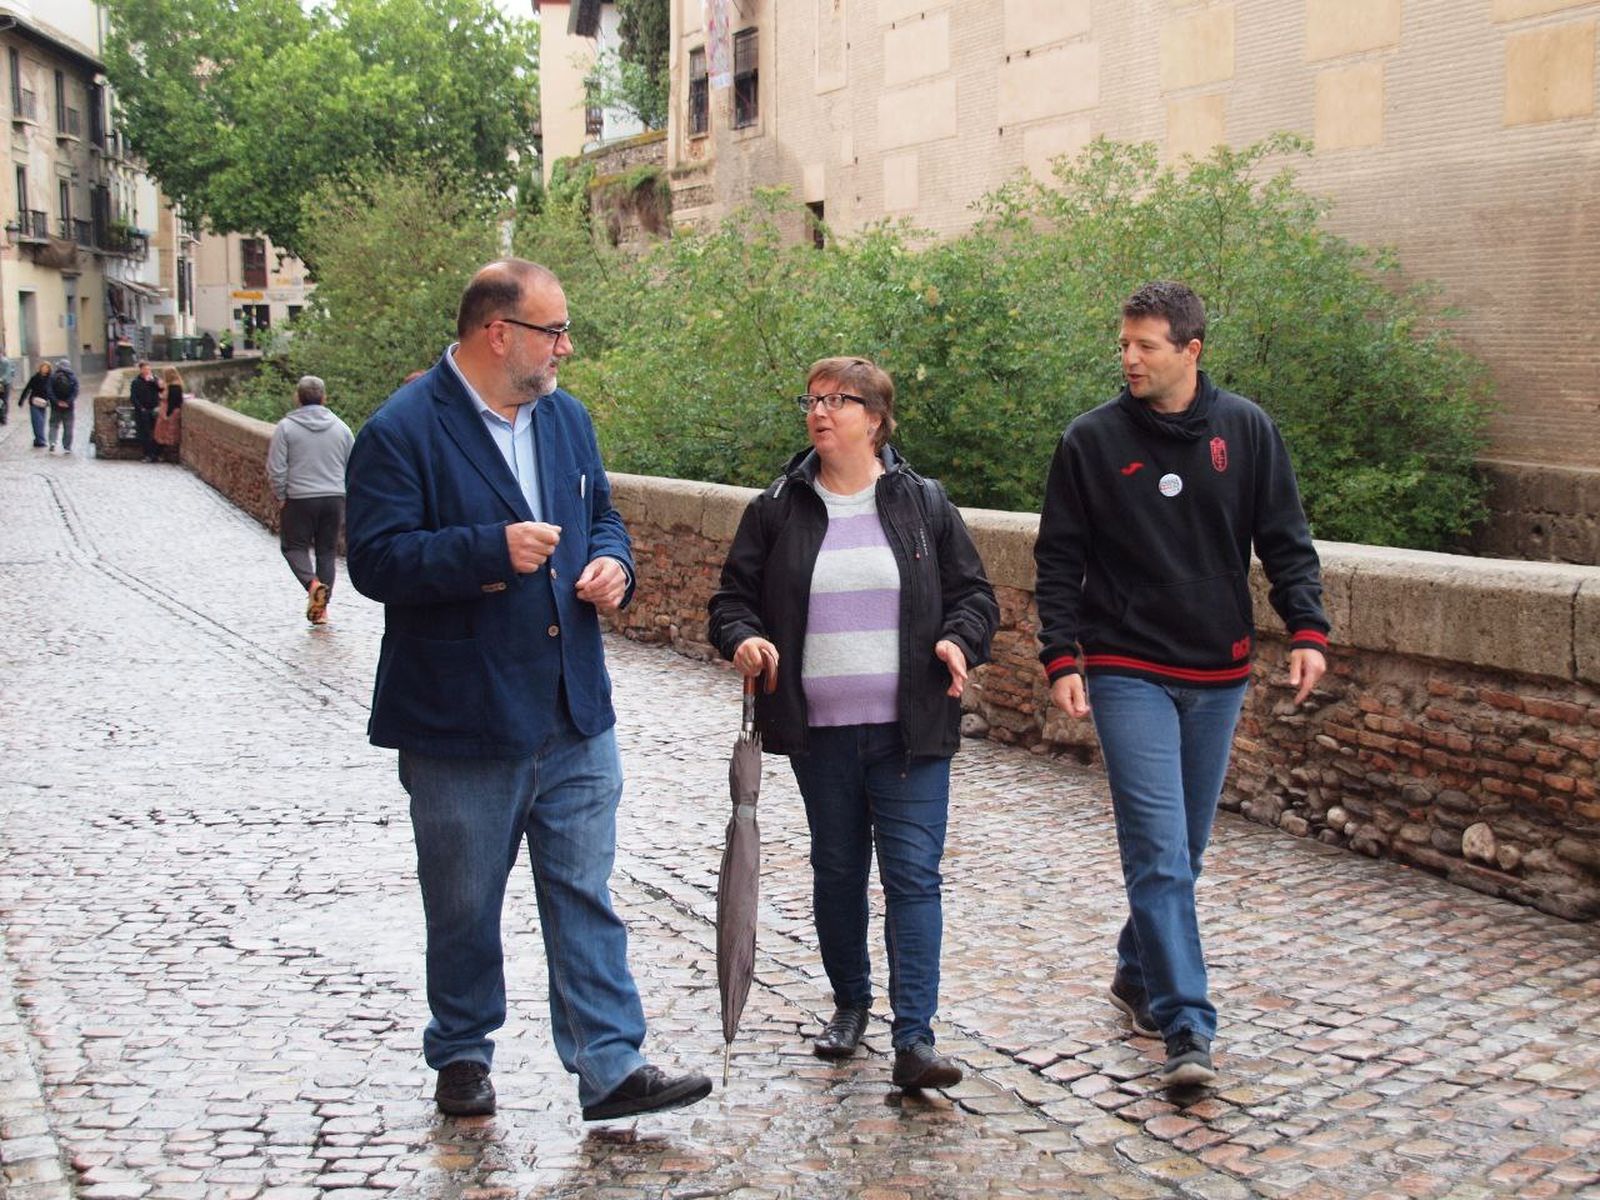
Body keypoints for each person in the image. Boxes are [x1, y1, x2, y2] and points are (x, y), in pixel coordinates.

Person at [344, 258, 712, 1122]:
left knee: (585, 890)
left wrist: (614, 564)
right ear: (498, 333)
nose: (566, 348)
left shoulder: (566, 419)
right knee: (464, 903)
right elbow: (375, 561)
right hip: (460, 719)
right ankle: (462, 1050)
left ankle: (610, 1065)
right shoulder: (401, 430)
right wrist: (489, 551)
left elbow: (604, 515)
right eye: (554, 332)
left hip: (574, 707)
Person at [1032, 281, 1329, 1089]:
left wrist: (1307, 629)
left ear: (1191, 350)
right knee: (1158, 852)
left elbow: (1286, 540)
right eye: (1123, 344)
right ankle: (1187, 1025)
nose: (1129, 358)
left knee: (1184, 852)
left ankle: (1137, 970)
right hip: (1126, 666)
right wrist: (1062, 655)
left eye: (1146, 346)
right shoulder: (1090, 440)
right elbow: (1059, 558)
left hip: (1219, 670)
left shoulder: (1247, 430)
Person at [708, 356, 999, 1092]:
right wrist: (744, 637)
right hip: (821, 732)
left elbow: (976, 597)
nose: (820, 411)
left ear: (875, 419)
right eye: (812, 399)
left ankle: (915, 1039)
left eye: (838, 400)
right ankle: (850, 1002)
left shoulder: (923, 503)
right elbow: (731, 600)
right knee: (838, 871)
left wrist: (957, 641)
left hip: (911, 730)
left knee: (913, 877)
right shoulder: (778, 507)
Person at [266, 375, 355, 625]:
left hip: (300, 497)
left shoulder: (286, 427)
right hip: (334, 498)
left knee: (293, 547)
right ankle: (322, 610)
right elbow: (354, 465)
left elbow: (276, 467)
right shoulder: (341, 428)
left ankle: (312, 584)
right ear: (324, 398)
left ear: (298, 397)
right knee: (326, 552)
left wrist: (281, 495)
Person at [130, 361, 163, 462]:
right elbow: (133, 397)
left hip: (154, 410)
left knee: (157, 433)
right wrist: (141, 408)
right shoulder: (136, 382)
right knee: (145, 434)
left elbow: (161, 390)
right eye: (145, 369)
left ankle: (156, 454)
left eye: (148, 369)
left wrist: (153, 381)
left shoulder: (155, 379)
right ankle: (148, 455)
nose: (147, 371)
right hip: (143, 411)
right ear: (141, 370)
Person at [46, 359, 79, 454]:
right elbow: (75, 392)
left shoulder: (53, 376)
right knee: (68, 427)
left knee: (53, 425)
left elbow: (49, 391)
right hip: (69, 407)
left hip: (55, 407)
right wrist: (68, 402)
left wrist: (56, 402)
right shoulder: (73, 377)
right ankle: (67, 447)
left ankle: (52, 442)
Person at [16, 360, 51, 448]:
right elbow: (27, 389)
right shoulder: (35, 378)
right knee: (36, 422)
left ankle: (38, 439)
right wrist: (21, 400)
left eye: (46, 368)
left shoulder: (50, 379)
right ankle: (40, 440)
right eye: (43, 367)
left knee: (41, 422)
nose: (45, 369)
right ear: (40, 368)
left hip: (44, 403)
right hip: (34, 402)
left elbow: (52, 391)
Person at [152, 366, 184, 458]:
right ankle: (159, 454)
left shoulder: (174, 387)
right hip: (166, 411)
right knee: (163, 433)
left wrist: (167, 414)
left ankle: (158, 454)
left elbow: (173, 402)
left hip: (169, 412)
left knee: (165, 434)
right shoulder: (173, 385)